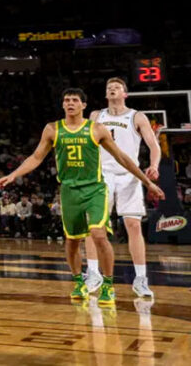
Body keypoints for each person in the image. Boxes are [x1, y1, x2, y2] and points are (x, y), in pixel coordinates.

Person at [0, 87, 164, 306]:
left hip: (94, 189)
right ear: (63, 104)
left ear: (84, 105)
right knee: (72, 240)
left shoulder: (96, 129)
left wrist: (148, 182)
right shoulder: (53, 129)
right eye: (66, 100)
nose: (70, 103)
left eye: (75, 100)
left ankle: (108, 285)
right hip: (68, 190)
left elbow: (122, 158)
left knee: (98, 234)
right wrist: (13, 174)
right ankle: (78, 281)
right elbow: (36, 157)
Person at [84, 77, 161, 299]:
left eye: (117, 87)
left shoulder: (136, 116)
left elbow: (153, 146)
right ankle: (93, 273)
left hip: (129, 174)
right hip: (102, 174)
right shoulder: (97, 115)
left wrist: (154, 166)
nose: (112, 89)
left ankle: (140, 279)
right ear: (106, 94)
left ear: (125, 94)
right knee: (94, 226)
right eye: (109, 88)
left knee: (133, 225)